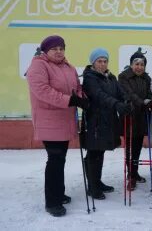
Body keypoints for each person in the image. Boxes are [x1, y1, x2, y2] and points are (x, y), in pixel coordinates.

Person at [26, 35, 89, 217]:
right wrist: (70, 100)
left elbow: (76, 87)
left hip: (64, 120)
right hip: (48, 121)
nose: (59, 52)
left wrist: (81, 98)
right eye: (54, 49)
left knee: (60, 159)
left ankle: (59, 193)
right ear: (45, 50)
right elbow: (43, 91)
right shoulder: (38, 65)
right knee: (54, 159)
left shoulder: (67, 66)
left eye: (61, 48)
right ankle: (52, 201)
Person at [82, 48, 131, 199]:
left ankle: (97, 181)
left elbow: (119, 92)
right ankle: (92, 187)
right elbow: (99, 95)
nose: (103, 64)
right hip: (94, 121)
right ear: (93, 63)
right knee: (94, 152)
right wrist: (116, 104)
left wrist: (126, 101)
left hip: (108, 119)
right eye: (99, 61)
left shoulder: (111, 77)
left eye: (105, 61)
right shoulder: (90, 77)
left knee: (100, 151)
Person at [118, 52, 152, 190]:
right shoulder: (123, 76)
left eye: (142, 64)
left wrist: (150, 101)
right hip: (129, 115)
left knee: (137, 147)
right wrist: (142, 102)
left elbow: (149, 92)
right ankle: (131, 175)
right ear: (131, 64)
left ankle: (134, 172)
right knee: (129, 147)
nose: (139, 67)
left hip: (141, 116)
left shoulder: (146, 78)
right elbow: (129, 94)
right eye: (137, 64)